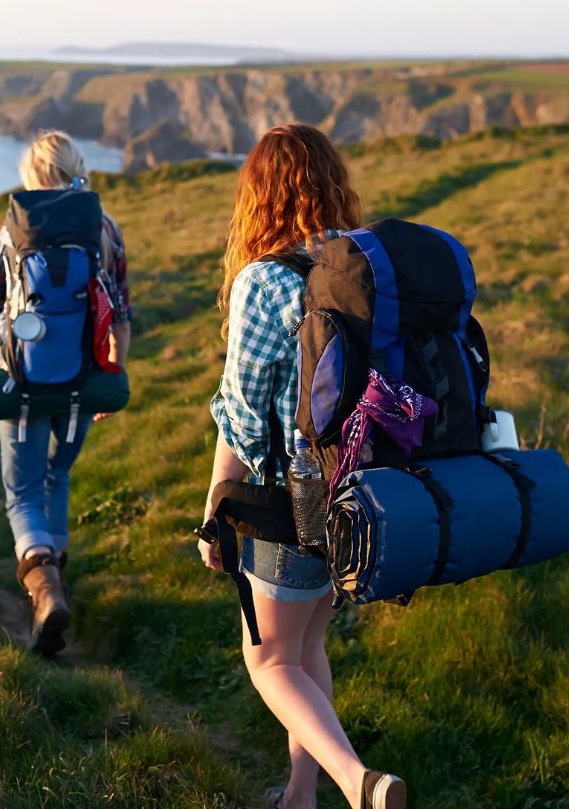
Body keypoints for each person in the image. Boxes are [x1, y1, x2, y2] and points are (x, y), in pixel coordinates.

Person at [199, 124, 407, 809]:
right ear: (331, 182)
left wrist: (213, 514)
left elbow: (241, 411)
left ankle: (357, 782)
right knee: (307, 645)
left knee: (268, 661)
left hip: (290, 501)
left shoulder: (265, 281)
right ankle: (298, 795)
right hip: (363, 491)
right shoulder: (361, 270)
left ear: (260, 195)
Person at [0, 130, 131, 655]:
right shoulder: (104, 227)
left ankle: (43, 586)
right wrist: (111, 374)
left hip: (21, 382)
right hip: (82, 383)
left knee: (21, 491)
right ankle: (55, 575)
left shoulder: (16, 228)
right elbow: (122, 317)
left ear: (31, 177)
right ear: (77, 168)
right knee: (57, 473)